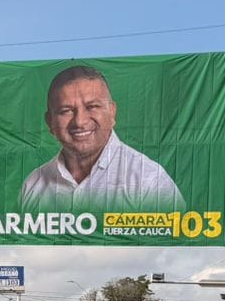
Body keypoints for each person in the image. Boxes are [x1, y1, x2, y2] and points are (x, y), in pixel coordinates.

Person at [19, 66, 184, 212]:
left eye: (92, 107)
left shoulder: (148, 181)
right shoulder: (33, 185)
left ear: (112, 113)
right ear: (50, 122)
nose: (80, 121)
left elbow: (176, 246)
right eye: (66, 110)